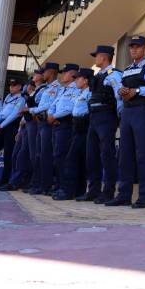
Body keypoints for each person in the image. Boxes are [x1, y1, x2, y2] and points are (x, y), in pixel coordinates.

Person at [108, 37, 145, 208]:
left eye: (137, 47)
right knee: (124, 155)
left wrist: (138, 90)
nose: (134, 50)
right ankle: (124, 195)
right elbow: (119, 93)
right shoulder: (126, 70)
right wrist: (122, 91)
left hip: (141, 110)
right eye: (131, 47)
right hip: (127, 112)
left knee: (142, 155)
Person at [78, 47, 123, 204]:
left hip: (107, 118)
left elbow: (120, 96)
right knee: (92, 155)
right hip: (94, 118)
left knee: (106, 155)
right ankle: (93, 190)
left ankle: (108, 192)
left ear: (104, 57)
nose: (95, 59)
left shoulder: (114, 75)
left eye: (96, 56)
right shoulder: (98, 76)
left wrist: (119, 117)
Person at [54, 68, 93, 200]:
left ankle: (68, 191)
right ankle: (78, 191)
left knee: (72, 160)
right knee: (78, 160)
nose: (76, 80)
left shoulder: (89, 94)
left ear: (86, 80)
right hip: (77, 127)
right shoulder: (81, 93)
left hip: (84, 127)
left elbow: (89, 111)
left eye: (78, 78)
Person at [30, 62, 66, 195]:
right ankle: (39, 184)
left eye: (44, 72)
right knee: (39, 154)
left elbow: (47, 105)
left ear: (51, 72)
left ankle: (46, 185)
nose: (42, 74)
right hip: (41, 122)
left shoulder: (56, 87)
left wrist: (30, 110)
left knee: (45, 154)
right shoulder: (47, 87)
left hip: (47, 123)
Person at [48, 64, 80, 194]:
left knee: (64, 156)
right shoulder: (62, 89)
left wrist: (54, 116)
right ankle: (59, 184)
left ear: (72, 74)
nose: (62, 75)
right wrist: (51, 115)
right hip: (56, 124)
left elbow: (71, 108)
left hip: (66, 123)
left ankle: (64, 187)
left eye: (65, 73)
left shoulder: (76, 89)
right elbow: (53, 104)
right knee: (56, 156)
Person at [0, 79, 25, 188]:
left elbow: (14, 114)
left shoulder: (21, 99)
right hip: (1, 127)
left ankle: (5, 180)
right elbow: (2, 112)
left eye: (14, 85)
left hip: (11, 127)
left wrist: (2, 125)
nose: (11, 87)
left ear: (19, 87)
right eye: (10, 85)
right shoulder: (8, 97)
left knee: (8, 155)